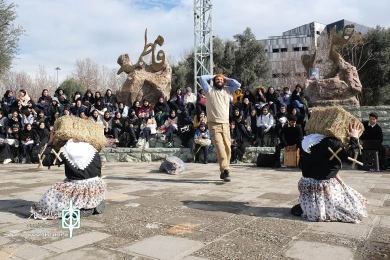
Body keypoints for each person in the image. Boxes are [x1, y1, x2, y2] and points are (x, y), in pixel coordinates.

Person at [293, 121, 368, 223]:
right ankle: (320, 207)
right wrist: (354, 138)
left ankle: (310, 205)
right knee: (353, 207)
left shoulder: (309, 140)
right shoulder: (331, 142)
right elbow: (351, 159)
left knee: (348, 192)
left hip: (306, 183)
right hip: (321, 186)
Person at [30, 129, 107, 219]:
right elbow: (99, 170)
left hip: (78, 187)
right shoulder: (92, 150)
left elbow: (40, 159)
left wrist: (50, 142)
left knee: (53, 193)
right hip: (96, 186)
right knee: (92, 183)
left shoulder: (66, 151)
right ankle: (94, 203)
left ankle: (80, 209)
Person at [200, 74, 241, 182]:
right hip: (214, 124)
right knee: (220, 148)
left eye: (221, 80)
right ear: (214, 81)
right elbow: (202, 78)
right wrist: (214, 75)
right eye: (217, 79)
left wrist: (225, 78)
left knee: (228, 147)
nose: (219, 81)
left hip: (225, 124)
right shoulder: (209, 90)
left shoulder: (228, 90)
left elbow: (238, 84)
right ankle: (226, 170)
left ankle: (223, 171)